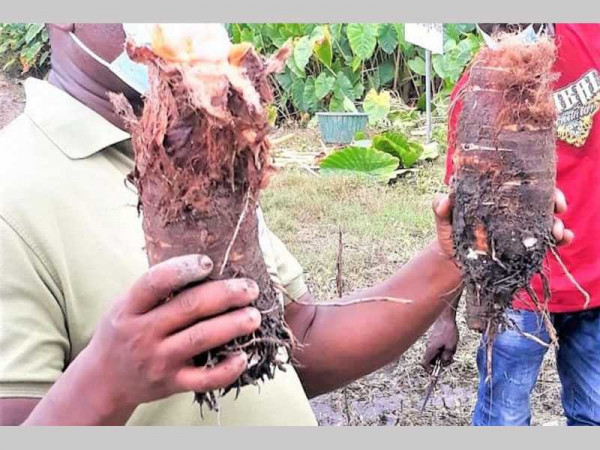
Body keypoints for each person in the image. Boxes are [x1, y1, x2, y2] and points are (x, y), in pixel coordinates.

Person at [0, 23, 570, 426]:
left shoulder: (201, 148)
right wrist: (107, 379)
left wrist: (457, 257)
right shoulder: (14, 190)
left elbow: (304, 343)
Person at [422, 23, 600, 426]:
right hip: (516, 293)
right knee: (503, 419)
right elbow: (460, 215)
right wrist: (444, 317)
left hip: (596, 288)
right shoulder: (475, 90)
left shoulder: (592, 35)